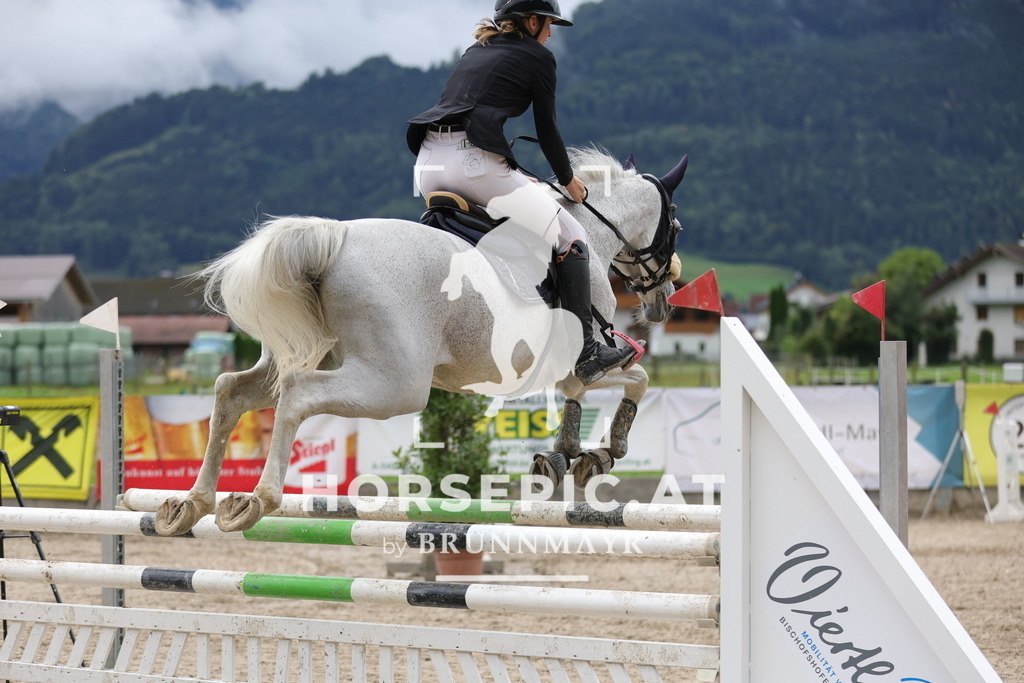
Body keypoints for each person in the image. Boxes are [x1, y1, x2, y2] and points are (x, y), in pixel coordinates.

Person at [407, 0, 636, 386]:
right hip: (475, 164)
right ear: (531, 21)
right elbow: (547, 130)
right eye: (548, 25)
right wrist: (567, 180)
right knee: (572, 238)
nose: (550, 34)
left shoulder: (475, 50)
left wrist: (513, 176)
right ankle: (588, 353)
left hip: (428, 163)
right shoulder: (539, 58)